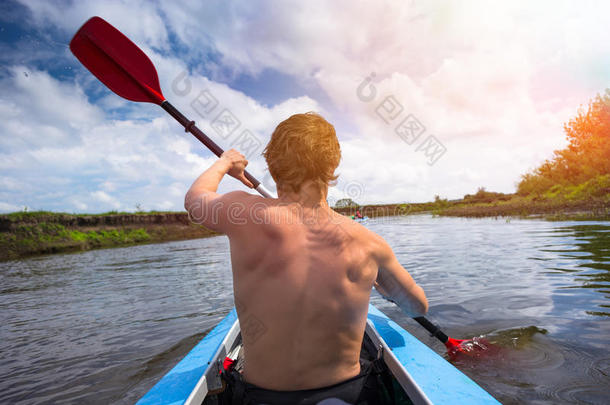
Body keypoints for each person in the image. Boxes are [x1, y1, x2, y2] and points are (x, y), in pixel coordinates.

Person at [184, 112, 428, 404]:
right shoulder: (370, 245)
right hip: (347, 395)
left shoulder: (244, 212)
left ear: (272, 168)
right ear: (332, 167)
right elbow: (417, 307)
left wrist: (225, 163)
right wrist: (385, 287)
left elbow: (195, 200)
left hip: (262, 397)